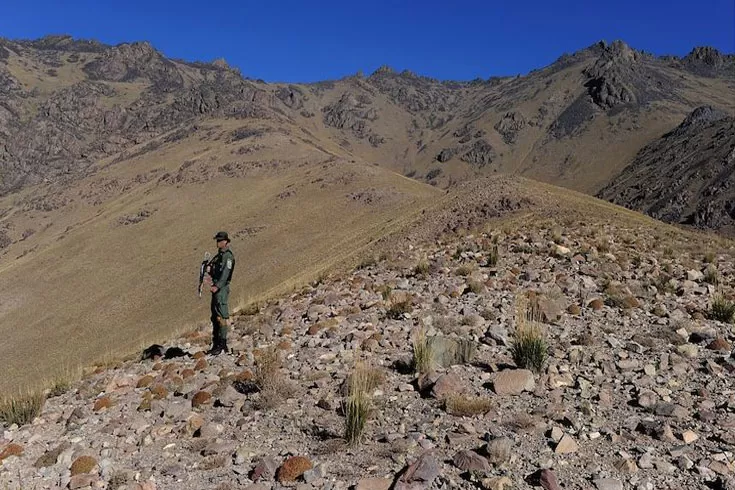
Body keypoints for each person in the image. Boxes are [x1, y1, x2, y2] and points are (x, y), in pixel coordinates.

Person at [207, 231, 235, 355]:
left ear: (226, 242)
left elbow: (225, 274)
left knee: (221, 316)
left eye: (220, 241)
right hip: (216, 287)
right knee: (215, 316)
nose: (218, 243)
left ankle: (223, 344)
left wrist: (217, 286)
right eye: (217, 241)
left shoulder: (228, 256)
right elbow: (216, 272)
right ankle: (216, 343)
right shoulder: (219, 256)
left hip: (221, 289)